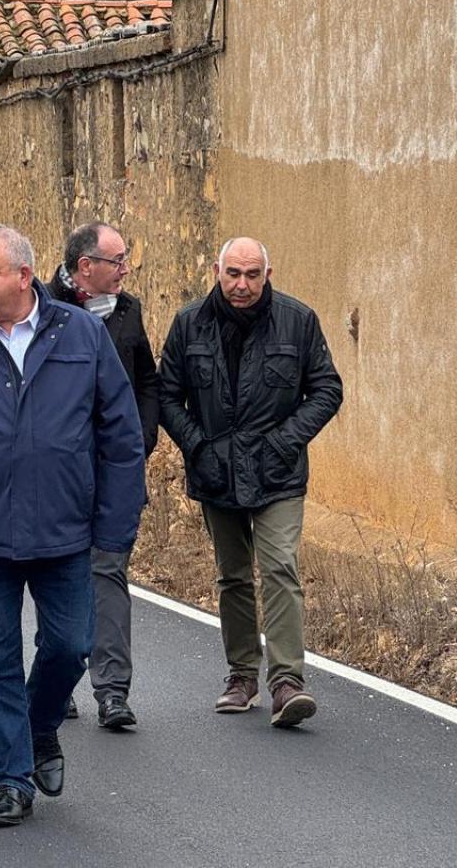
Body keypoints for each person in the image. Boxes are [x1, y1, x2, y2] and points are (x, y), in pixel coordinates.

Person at [0, 224, 146, 828]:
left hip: (66, 531)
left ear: (22, 275)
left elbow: (121, 437)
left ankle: (40, 728)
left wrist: (115, 528)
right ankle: (11, 778)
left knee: (71, 646)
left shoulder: (83, 334)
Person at [157, 237, 343, 728]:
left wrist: (284, 442)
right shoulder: (189, 323)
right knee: (233, 574)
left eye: (252, 274)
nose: (242, 284)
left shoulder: (297, 321)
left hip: (277, 472)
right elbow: (167, 395)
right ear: (217, 271)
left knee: (279, 566)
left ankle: (287, 682)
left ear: (268, 274)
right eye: (233, 273)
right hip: (216, 471)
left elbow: (327, 389)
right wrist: (198, 446)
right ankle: (242, 676)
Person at [45, 221, 160, 729]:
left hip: (114, 471)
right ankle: (57, 681)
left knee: (109, 571)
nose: (126, 269)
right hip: (57, 473)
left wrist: (141, 439)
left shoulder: (128, 311)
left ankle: (112, 691)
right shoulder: (40, 309)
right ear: (85, 266)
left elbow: (148, 381)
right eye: (118, 260)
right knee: (55, 576)